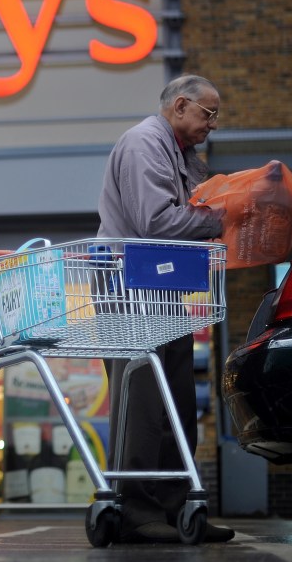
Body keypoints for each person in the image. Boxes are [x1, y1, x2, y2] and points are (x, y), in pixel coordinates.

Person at [97, 74, 234, 544]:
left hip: (159, 284)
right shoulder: (143, 144)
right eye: (208, 113)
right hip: (126, 282)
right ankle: (135, 508)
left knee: (177, 397)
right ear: (180, 105)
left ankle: (179, 507)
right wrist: (223, 218)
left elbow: (206, 197)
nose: (213, 124)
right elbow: (155, 220)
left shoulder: (181, 154)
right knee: (143, 399)